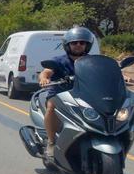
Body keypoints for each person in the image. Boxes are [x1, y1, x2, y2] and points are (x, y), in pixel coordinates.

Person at [37, 26, 93, 159]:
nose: (78, 45)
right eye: (74, 43)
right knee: (52, 106)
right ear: (68, 45)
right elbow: (46, 72)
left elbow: (105, 71)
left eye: (82, 42)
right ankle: (51, 142)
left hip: (84, 95)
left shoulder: (92, 61)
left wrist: (123, 77)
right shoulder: (59, 60)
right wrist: (44, 78)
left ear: (87, 45)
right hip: (60, 94)